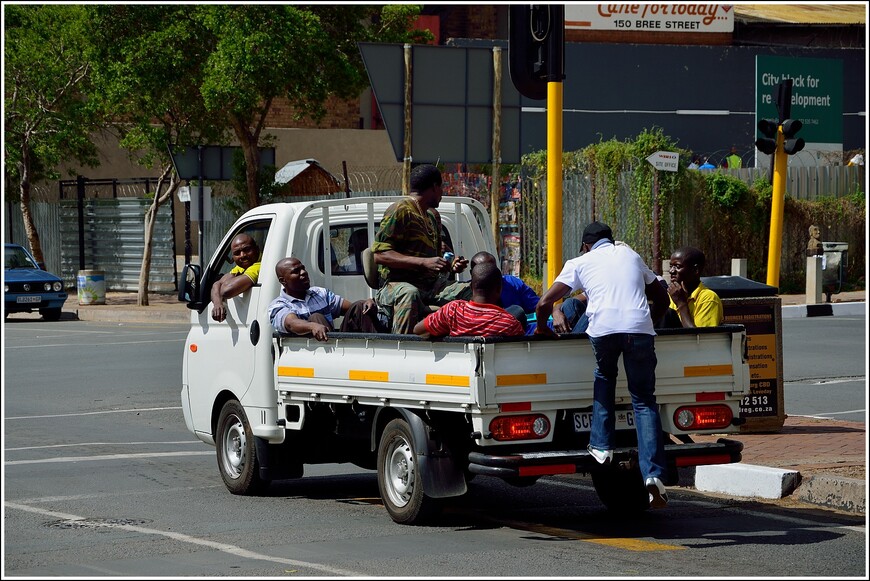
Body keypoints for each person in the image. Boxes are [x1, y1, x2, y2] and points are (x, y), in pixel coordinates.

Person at [534, 221, 671, 509]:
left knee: (605, 379)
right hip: (639, 331)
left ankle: (601, 447)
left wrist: (544, 330)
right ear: (612, 239)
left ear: (586, 245)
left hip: (605, 331)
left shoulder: (581, 261)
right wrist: (651, 321)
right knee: (645, 402)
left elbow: (545, 302)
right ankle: (653, 476)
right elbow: (661, 295)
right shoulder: (631, 255)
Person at [372, 164, 471, 334]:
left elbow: (436, 254)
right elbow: (380, 255)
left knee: (473, 291)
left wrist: (452, 263)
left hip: (430, 286)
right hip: (397, 285)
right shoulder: (400, 210)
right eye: (441, 188)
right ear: (434, 187)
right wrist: (423, 263)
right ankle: (403, 349)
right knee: (409, 294)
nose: (442, 193)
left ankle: (470, 346)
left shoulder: (431, 216)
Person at [469, 251, 588, 335]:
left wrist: (556, 311)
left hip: (541, 333)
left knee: (571, 305)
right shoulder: (509, 322)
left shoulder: (511, 283)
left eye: (494, 271)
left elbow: (539, 307)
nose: (490, 275)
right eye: (483, 272)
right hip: (526, 341)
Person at [268, 257, 380, 341]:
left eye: (303, 268)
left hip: (337, 343)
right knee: (316, 317)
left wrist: (366, 303)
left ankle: (376, 347)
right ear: (283, 281)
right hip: (313, 352)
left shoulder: (320, 293)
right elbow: (291, 323)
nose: (303, 273)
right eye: (296, 271)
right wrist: (312, 326)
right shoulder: (278, 305)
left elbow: (352, 309)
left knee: (360, 306)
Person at [413, 261, 524, 338]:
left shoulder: (452, 310)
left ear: (471, 287)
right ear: (499, 289)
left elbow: (418, 330)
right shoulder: (510, 323)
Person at [665, 246, 723, 328]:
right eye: (671, 266)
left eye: (677, 267)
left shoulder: (708, 298)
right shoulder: (671, 295)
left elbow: (698, 338)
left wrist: (681, 304)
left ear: (695, 270)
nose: (671, 271)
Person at [210, 233, 262, 322]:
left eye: (247, 250)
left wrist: (223, 288)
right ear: (233, 257)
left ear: (256, 249)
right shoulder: (244, 266)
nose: (242, 255)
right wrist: (218, 303)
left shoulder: (258, 266)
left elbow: (226, 290)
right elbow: (217, 284)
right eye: (237, 253)